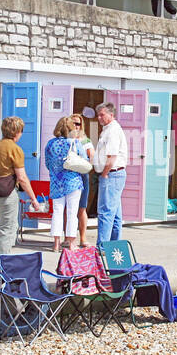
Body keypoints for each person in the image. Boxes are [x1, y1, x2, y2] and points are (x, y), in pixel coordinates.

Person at [0, 116, 45, 258]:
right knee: (7, 229)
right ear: (17, 132)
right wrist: (34, 199)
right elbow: (22, 178)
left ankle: (2, 260)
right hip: (7, 193)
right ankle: (1, 264)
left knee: (8, 226)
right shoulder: (15, 149)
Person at [44, 116, 85, 253]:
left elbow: (47, 164)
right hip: (73, 181)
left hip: (56, 182)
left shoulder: (50, 144)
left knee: (57, 212)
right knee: (72, 213)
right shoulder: (74, 143)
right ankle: (71, 244)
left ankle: (56, 243)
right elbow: (84, 160)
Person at [95, 101, 128, 243]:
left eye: (102, 115)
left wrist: (104, 173)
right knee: (114, 213)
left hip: (112, 174)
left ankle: (102, 246)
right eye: (98, 115)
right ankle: (114, 245)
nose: (99, 118)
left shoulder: (113, 131)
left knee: (105, 212)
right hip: (114, 174)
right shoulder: (108, 129)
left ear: (111, 115)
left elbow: (112, 156)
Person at [69, 112, 96, 246]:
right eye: (73, 123)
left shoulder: (85, 140)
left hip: (82, 176)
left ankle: (83, 238)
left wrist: (85, 164)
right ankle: (67, 239)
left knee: (81, 208)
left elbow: (92, 155)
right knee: (68, 209)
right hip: (68, 176)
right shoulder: (64, 139)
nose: (75, 126)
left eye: (78, 123)